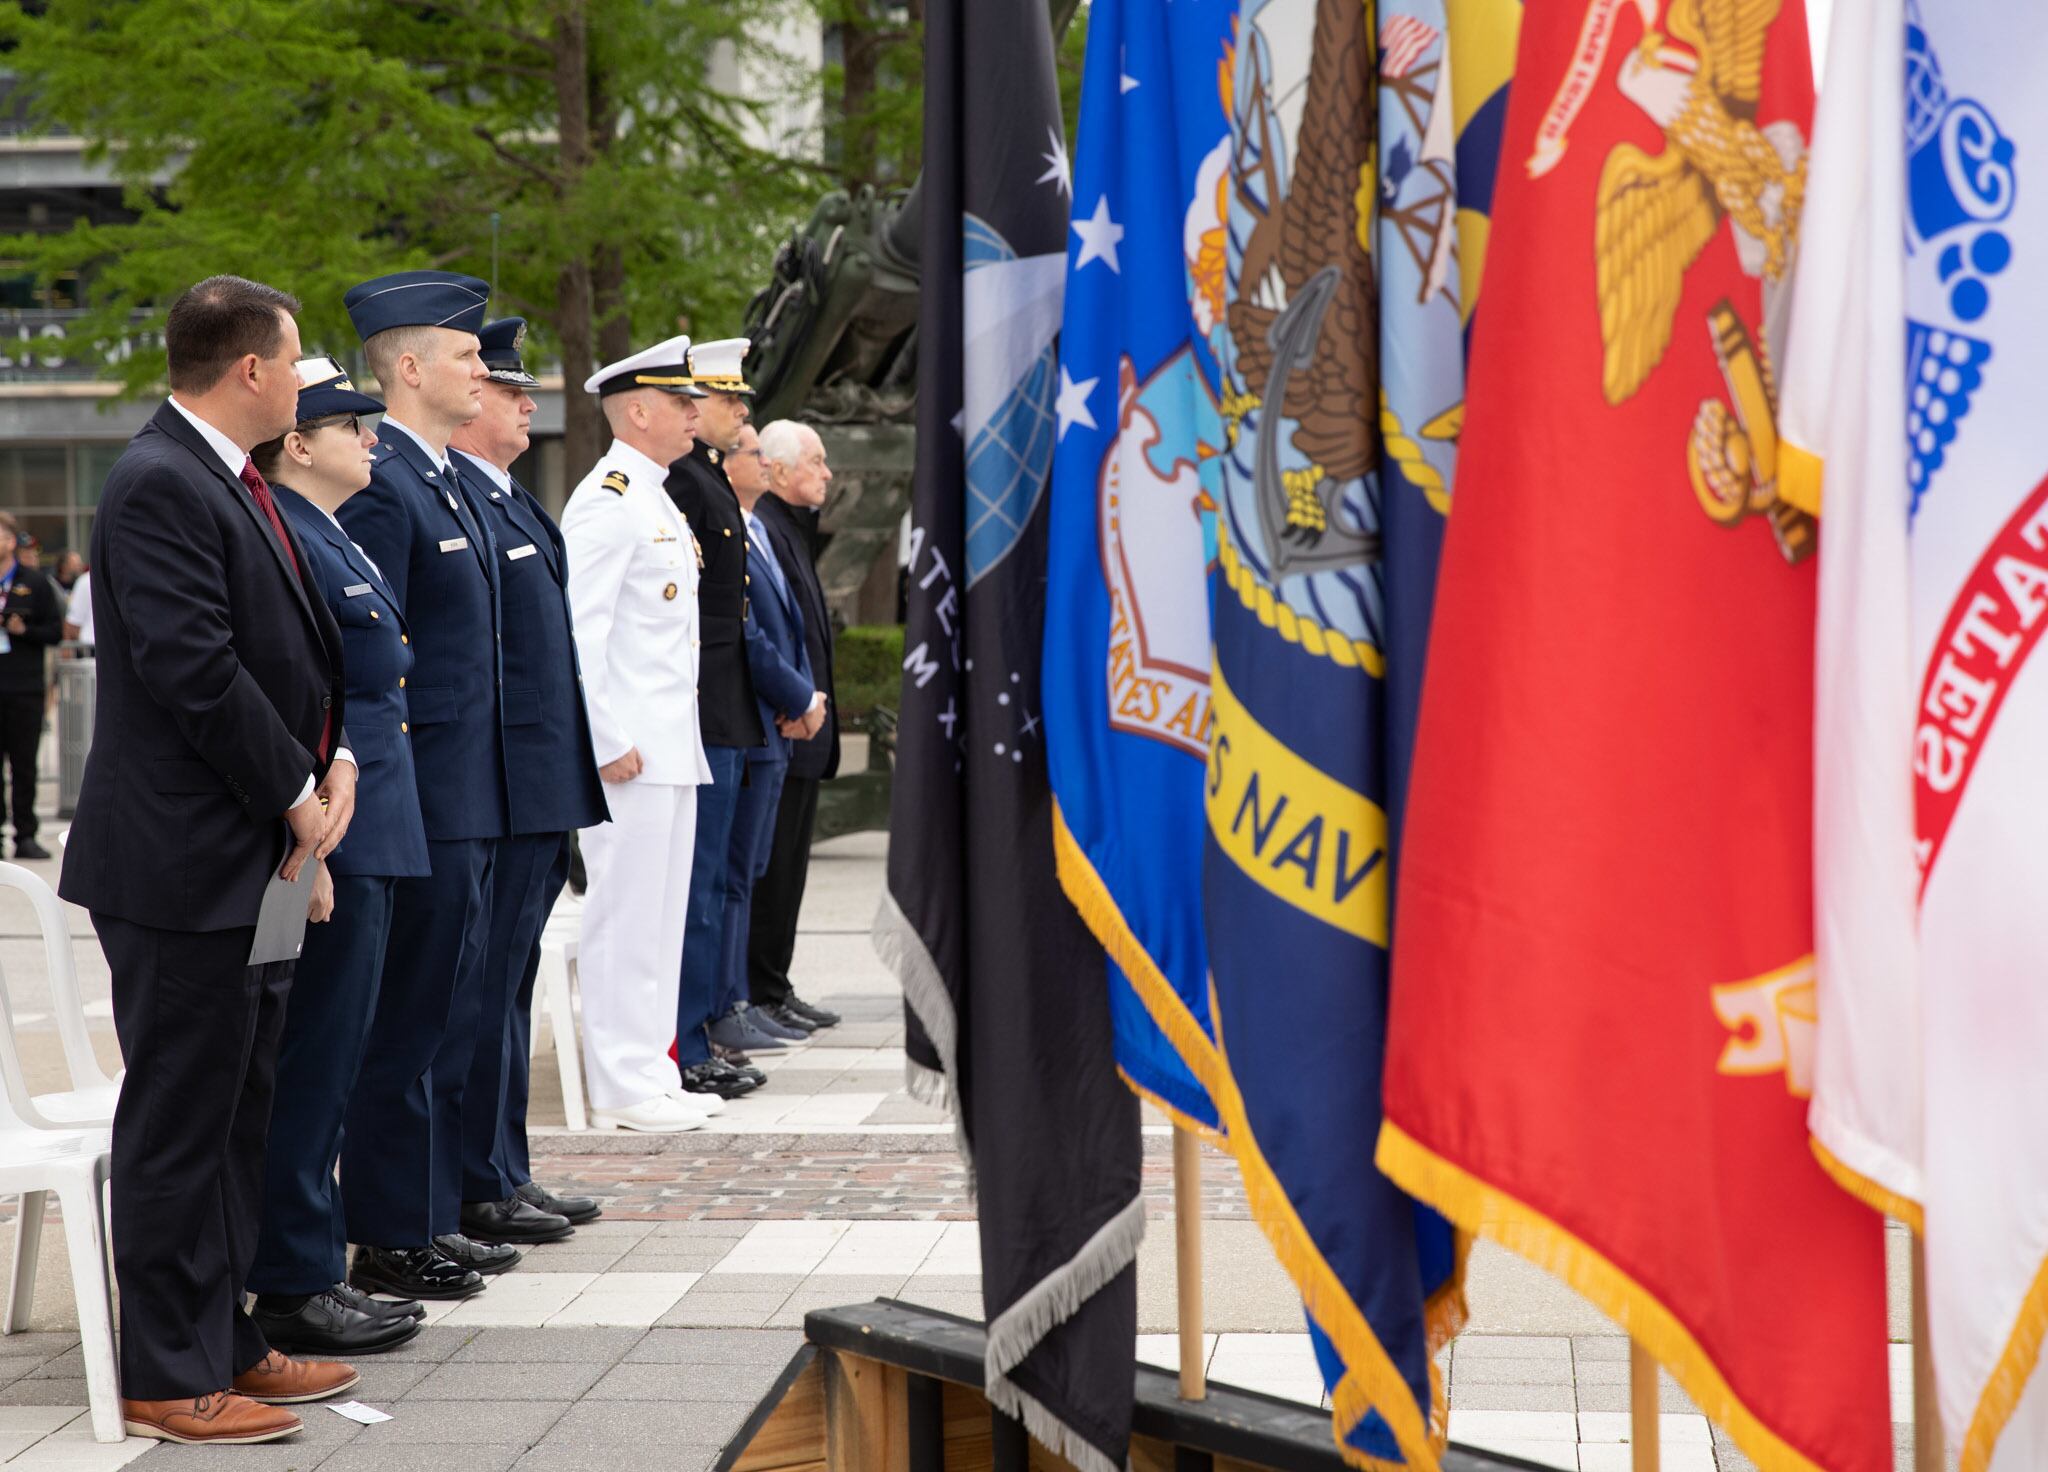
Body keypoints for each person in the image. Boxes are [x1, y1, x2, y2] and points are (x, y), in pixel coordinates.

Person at [58, 275, 360, 1445]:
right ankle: (165, 1366)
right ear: (249, 371)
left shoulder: (226, 478)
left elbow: (283, 655)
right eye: (294, 363)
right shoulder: (158, 482)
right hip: (185, 862)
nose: (302, 382)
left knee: (242, 1107)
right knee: (183, 1118)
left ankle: (226, 1336)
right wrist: (296, 794)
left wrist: (319, 783)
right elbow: (196, 669)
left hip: (251, 857)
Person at [244, 357, 433, 1357]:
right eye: (349, 424)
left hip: (374, 818)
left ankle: (309, 1262)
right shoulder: (292, 538)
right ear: (297, 442)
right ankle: (294, 1276)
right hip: (333, 832)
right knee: (312, 1061)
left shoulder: (326, 533)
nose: (370, 438)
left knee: (339, 1050)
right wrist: (306, 848)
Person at [336, 269, 515, 1300]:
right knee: (406, 1018)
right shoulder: (383, 482)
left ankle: (425, 1211)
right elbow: (370, 656)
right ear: (408, 366)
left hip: (467, 792)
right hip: (423, 793)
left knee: (444, 1009)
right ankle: (392, 1227)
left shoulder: (438, 476)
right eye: (464, 354)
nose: (480, 368)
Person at [448, 317, 608, 1239]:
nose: (522, 402)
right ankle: (480, 1180)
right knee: (481, 991)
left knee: (508, 988)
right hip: (498, 788)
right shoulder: (452, 496)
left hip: (537, 785)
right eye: (509, 391)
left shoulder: (505, 497)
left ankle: (504, 1164)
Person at [562, 335, 722, 1132]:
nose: (696, 413)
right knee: (625, 917)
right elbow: (579, 636)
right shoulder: (609, 499)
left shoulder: (656, 495)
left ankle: (652, 1068)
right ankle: (622, 1082)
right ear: (637, 410)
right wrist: (604, 739)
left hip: (668, 748)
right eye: (681, 402)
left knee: (661, 918)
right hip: (628, 754)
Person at [664, 338, 810, 1080]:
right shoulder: (684, 485)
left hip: (728, 709)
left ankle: (708, 1028)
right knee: (699, 889)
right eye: (726, 400)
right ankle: (689, 1042)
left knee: (723, 881)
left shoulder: (705, 482)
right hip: (705, 707)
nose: (737, 411)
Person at [719, 418, 824, 1044]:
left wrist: (808, 694)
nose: (761, 462)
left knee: (753, 874)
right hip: (753, 726)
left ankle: (749, 997)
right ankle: (734, 1003)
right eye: (752, 452)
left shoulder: (760, 530)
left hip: (779, 727)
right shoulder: (736, 530)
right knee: (734, 879)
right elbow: (748, 634)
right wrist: (797, 695)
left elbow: (798, 627)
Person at [747, 420, 844, 1033]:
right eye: (815, 461)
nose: (827, 473)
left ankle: (774, 986)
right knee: (770, 871)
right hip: (785, 726)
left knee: (789, 871)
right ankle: (761, 989)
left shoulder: (789, 530)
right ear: (779, 471)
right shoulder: (770, 530)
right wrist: (799, 697)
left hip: (803, 729)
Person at [0, 512, 62, 859]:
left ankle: (25, 834)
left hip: (24, 687)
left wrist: (25, 631)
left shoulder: (35, 583)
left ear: (11, 541)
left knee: (24, 764)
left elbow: (55, 631)